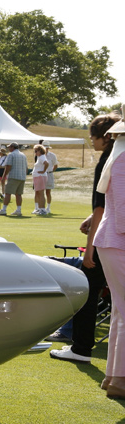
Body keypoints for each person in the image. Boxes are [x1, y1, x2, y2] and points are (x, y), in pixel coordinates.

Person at [50, 114, 120, 364]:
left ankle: (80, 348)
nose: (91, 139)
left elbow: (101, 207)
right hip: (113, 235)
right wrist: (91, 217)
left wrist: (89, 250)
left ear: (105, 136)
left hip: (108, 239)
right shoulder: (118, 157)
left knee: (87, 291)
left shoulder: (107, 161)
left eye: (94, 135)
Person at [92, 117, 125, 397]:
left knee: (120, 311)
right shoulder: (123, 158)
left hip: (114, 241)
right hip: (118, 240)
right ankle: (120, 379)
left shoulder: (119, 155)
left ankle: (115, 376)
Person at [0, 143, 27, 216]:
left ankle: (4, 209)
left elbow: (8, 166)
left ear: (13, 147)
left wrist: (3, 176)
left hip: (13, 176)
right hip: (22, 177)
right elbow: (26, 167)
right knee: (18, 194)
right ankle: (18, 210)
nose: (8, 148)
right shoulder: (23, 155)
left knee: (8, 193)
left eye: (9, 147)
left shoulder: (11, 155)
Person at [31, 144, 50, 215]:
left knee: (41, 193)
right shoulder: (39, 157)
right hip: (37, 176)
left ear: (40, 151)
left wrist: (43, 171)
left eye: (36, 151)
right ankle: (39, 208)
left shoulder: (42, 157)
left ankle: (42, 209)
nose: (35, 152)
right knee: (38, 193)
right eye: (35, 151)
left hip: (40, 176)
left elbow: (46, 163)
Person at [44, 144, 59, 212]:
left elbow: (55, 165)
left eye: (46, 148)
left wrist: (51, 171)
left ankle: (48, 207)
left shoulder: (52, 155)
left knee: (48, 192)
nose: (45, 149)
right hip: (41, 175)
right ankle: (40, 207)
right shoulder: (39, 155)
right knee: (40, 191)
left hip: (49, 174)